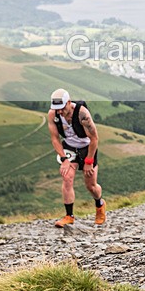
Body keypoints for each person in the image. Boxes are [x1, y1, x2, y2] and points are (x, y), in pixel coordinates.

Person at [47, 88, 106, 227]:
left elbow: (94, 139)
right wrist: (64, 159)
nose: (59, 112)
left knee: (91, 186)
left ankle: (100, 205)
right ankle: (69, 216)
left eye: (62, 108)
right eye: (57, 109)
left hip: (87, 148)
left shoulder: (82, 113)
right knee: (67, 177)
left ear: (68, 102)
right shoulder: (52, 115)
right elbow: (55, 138)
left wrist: (89, 161)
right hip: (69, 147)